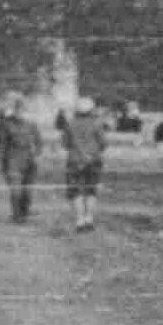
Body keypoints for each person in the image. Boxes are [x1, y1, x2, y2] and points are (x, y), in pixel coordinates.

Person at [57, 99, 108, 232]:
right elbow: (103, 143)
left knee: (76, 191)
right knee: (91, 190)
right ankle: (89, 219)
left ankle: (79, 221)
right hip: (94, 161)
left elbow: (65, 144)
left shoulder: (70, 124)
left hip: (74, 161)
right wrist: (93, 152)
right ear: (91, 110)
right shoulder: (97, 124)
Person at [0, 103, 43, 223]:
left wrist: (37, 153)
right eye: (17, 111)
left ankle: (24, 212)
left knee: (27, 190)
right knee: (15, 190)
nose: (19, 113)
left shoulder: (31, 124)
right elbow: (2, 143)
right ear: (14, 111)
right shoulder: (7, 124)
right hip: (13, 160)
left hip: (29, 160)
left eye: (22, 111)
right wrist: (3, 161)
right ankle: (16, 215)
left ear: (25, 112)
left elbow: (39, 142)